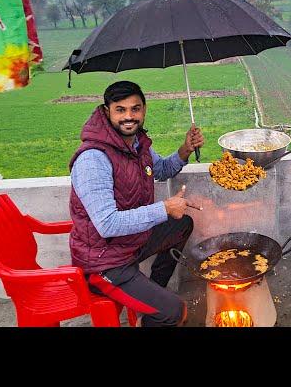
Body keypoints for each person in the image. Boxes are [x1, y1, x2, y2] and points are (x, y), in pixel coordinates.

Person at [68, 80, 204, 327]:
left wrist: (185, 149)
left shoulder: (137, 145)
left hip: (132, 242)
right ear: (107, 111)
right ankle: (159, 311)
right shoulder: (93, 160)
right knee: (174, 312)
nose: (129, 116)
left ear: (144, 109)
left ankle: (153, 291)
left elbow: (161, 169)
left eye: (135, 108)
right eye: (120, 109)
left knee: (181, 224)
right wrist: (164, 208)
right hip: (105, 261)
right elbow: (107, 224)